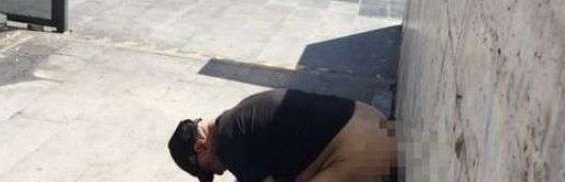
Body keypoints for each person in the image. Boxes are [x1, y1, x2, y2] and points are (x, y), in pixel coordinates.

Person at [168, 89, 397, 182]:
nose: (218, 173)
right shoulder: (238, 118)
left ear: (200, 147)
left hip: (365, 149)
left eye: (207, 170)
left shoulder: (228, 142)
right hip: (375, 123)